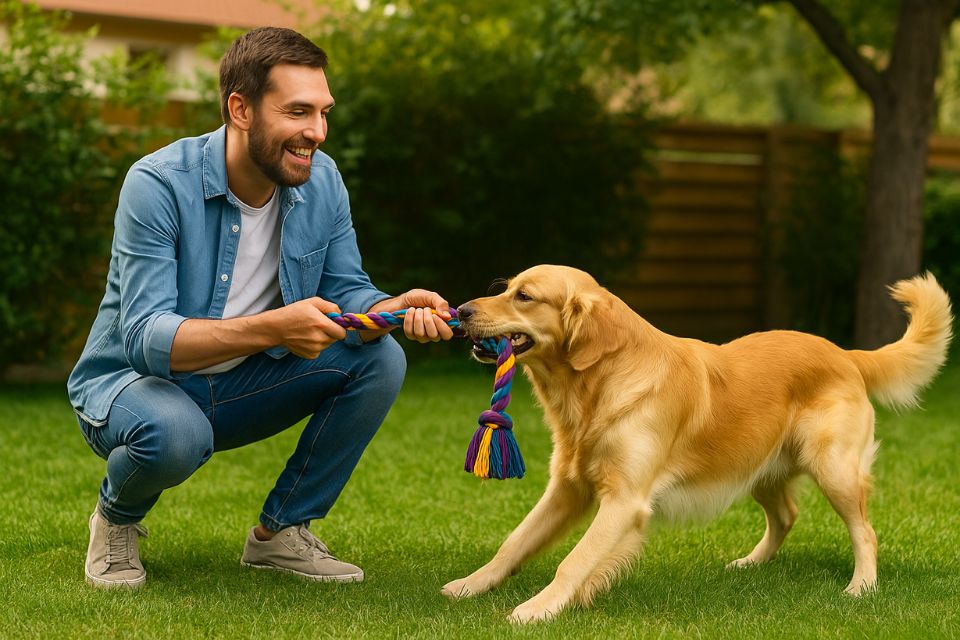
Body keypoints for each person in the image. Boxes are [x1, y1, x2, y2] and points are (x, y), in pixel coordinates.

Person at [67, 26, 455, 589]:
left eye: (323, 113)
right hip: (135, 388)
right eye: (298, 112)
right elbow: (147, 340)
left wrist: (388, 309)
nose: (316, 133)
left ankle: (282, 535)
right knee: (176, 434)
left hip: (242, 387)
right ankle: (115, 519)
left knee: (380, 359)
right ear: (240, 109)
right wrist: (273, 328)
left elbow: (349, 290)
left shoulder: (323, 182)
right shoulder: (156, 184)